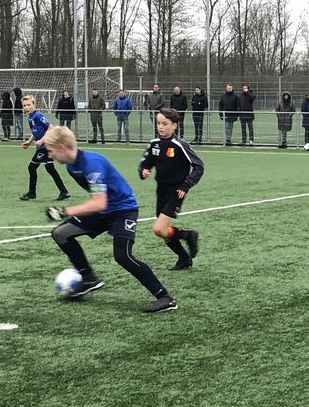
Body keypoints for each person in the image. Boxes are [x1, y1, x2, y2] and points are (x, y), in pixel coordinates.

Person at [42, 126, 179, 313]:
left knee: (123, 256)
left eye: (51, 150)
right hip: (102, 212)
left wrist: (65, 211)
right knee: (60, 234)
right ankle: (89, 278)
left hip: (123, 210)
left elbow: (99, 203)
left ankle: (165, 298)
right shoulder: (71, 166)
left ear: (63, 147)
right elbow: (98, 203)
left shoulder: (92, 163)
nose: (50, 156)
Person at [139, 109, 204, 270]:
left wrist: (186, 185)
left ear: (174, 125)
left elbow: (199, 166)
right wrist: (143, 171)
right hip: (161, 190)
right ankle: (184, 258)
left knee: (158, 229)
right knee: (162, 232)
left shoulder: (180, 145)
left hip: (176, 192)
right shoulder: (154, 143)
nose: (160, 127)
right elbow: (145, 164)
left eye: (164, 124)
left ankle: (188, 235)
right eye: (158, 123)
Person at [19, 94, 70, 201]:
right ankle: (64, 191)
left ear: (34, 105)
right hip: (43, 146)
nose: (26, 107)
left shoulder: (38, 115)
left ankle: (32, 193)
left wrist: (41, 140)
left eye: (28, 105)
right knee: (50, 168)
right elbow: (35, 132)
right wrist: (28, 142)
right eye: (24, 106)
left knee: (31, 167)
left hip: (45, 146)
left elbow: (50, 128)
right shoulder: (30, 118)